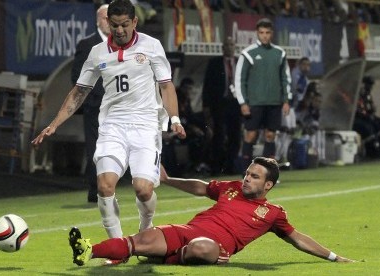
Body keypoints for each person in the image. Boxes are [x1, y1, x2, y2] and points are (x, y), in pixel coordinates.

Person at [32, 0, 186, 246]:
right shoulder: (97, 52)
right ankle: (118, 245)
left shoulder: (152, 46)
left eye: (125, 25)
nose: (120, 30)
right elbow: (79, 91)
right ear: (108, 24)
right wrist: (55, 123)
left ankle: (145, 227)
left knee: (143, 189)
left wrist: (175, 119)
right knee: (104, 186)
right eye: (115, 25)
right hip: (112, 126)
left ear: (134, 22)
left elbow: (166, 85)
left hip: (145, 127)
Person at [68, 157, 353, 266]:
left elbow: (298, 239)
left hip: (213, 245)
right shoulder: (230, 188)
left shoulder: (273, 213)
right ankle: (88, 250)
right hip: (187, 231)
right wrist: (167, 181)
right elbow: (201, 188)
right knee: (139, 240)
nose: (247, 179)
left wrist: (332, 256)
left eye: (254, 177)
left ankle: (165, 257)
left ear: (268, 185)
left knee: (203, 248)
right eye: (247, 173)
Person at [234, 18, 291, 174]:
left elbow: (286, 77)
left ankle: (268, 174)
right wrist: (243, 102)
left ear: (271, 33)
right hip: (255, 103)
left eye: (267, 32)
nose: (264, 36)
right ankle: (246, 173)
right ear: (257, 33)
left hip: (274, 102)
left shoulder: (279, 53)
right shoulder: (248, 53)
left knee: (270, 135)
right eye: (261, 33)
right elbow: (240, 79)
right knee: (251, 135)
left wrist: (286, 100)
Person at [71, 4, 111, 203]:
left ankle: (109, 188)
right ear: (97, 20)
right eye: (105, 18)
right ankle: (95, 190)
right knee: (95, 149)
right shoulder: (87, 44)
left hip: (117, 109)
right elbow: (77, 77)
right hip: (95, 107)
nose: (109, 22)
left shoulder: (121, 44)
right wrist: (97, 97)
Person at [202, 36, 242, 175]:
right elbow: (207, 86)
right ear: (223, 47)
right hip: (220, 104)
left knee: (235, 136)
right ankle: (216, 168)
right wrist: (206, 105)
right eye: (227, 44)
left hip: (236, 104)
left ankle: (231, 166)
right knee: (219, 135)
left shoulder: (240, 63)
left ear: (234, 47)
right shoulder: (214, 63)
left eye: (232, 44)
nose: (229, 47)